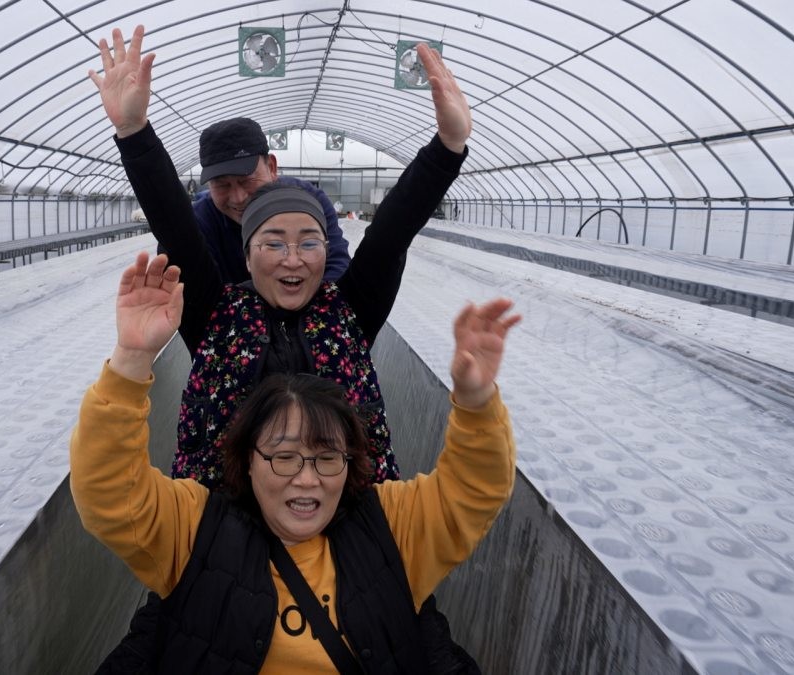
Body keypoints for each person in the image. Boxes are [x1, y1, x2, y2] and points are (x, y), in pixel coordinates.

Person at [70, 251, 519, 672]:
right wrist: (131, 359)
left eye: (327, 458)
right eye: (284, 457)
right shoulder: (194, 529)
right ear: (247, 460)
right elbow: (109, 492)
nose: (307, 480)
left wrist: (476, 400)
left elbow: (471, 491)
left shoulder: (392, 527)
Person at [90, 25, 471, 488]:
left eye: (308, 242)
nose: (293, 259)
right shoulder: (218, 317)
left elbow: (391, 232)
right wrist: (133, 134)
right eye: (272, 244)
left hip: (347, 515)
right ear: (245, 257)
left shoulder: (346, 314)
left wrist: (448, 147)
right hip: (226, 520)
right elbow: (177, 228)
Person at [169, 116, 351, 283]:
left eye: (246, 180)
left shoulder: (310, 201)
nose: (238, 198)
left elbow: (336, 265)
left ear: (271, 167)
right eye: (222, 185)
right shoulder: (200, 220)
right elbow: (196, 286)